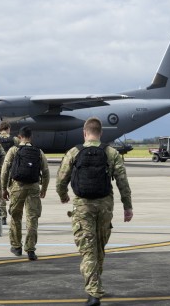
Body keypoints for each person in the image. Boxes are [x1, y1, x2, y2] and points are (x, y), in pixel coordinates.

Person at [56, 117, 133, 306]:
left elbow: (61, 179)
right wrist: (127, 206)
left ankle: (93, 292)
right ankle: (96, 285)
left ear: (84, 132)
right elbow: (122, 182)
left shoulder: (74, 152)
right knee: (98, 247)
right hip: (105, 206)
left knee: (88, 249)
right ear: (101, 133)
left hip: (83, 206)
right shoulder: (111, 153)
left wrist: (63, 195)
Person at [1, 126, 49, 261]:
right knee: (32, 218)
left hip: (17, 186)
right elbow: (45, 172)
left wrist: (3, 188)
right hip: (33, 187)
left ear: (19, 137)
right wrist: (44, 188)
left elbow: (5, 170)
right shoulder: (38, 152)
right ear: (30, 137)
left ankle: (16, 246)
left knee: (16, 216)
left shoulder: (14, 150)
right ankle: (31, 249)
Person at [0, 121, 20, 225]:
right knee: (14, 192)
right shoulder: (15, 139)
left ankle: (2, 216)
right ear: (9, 129)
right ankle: (13, 209)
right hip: (12, 169)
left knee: (1, 192)